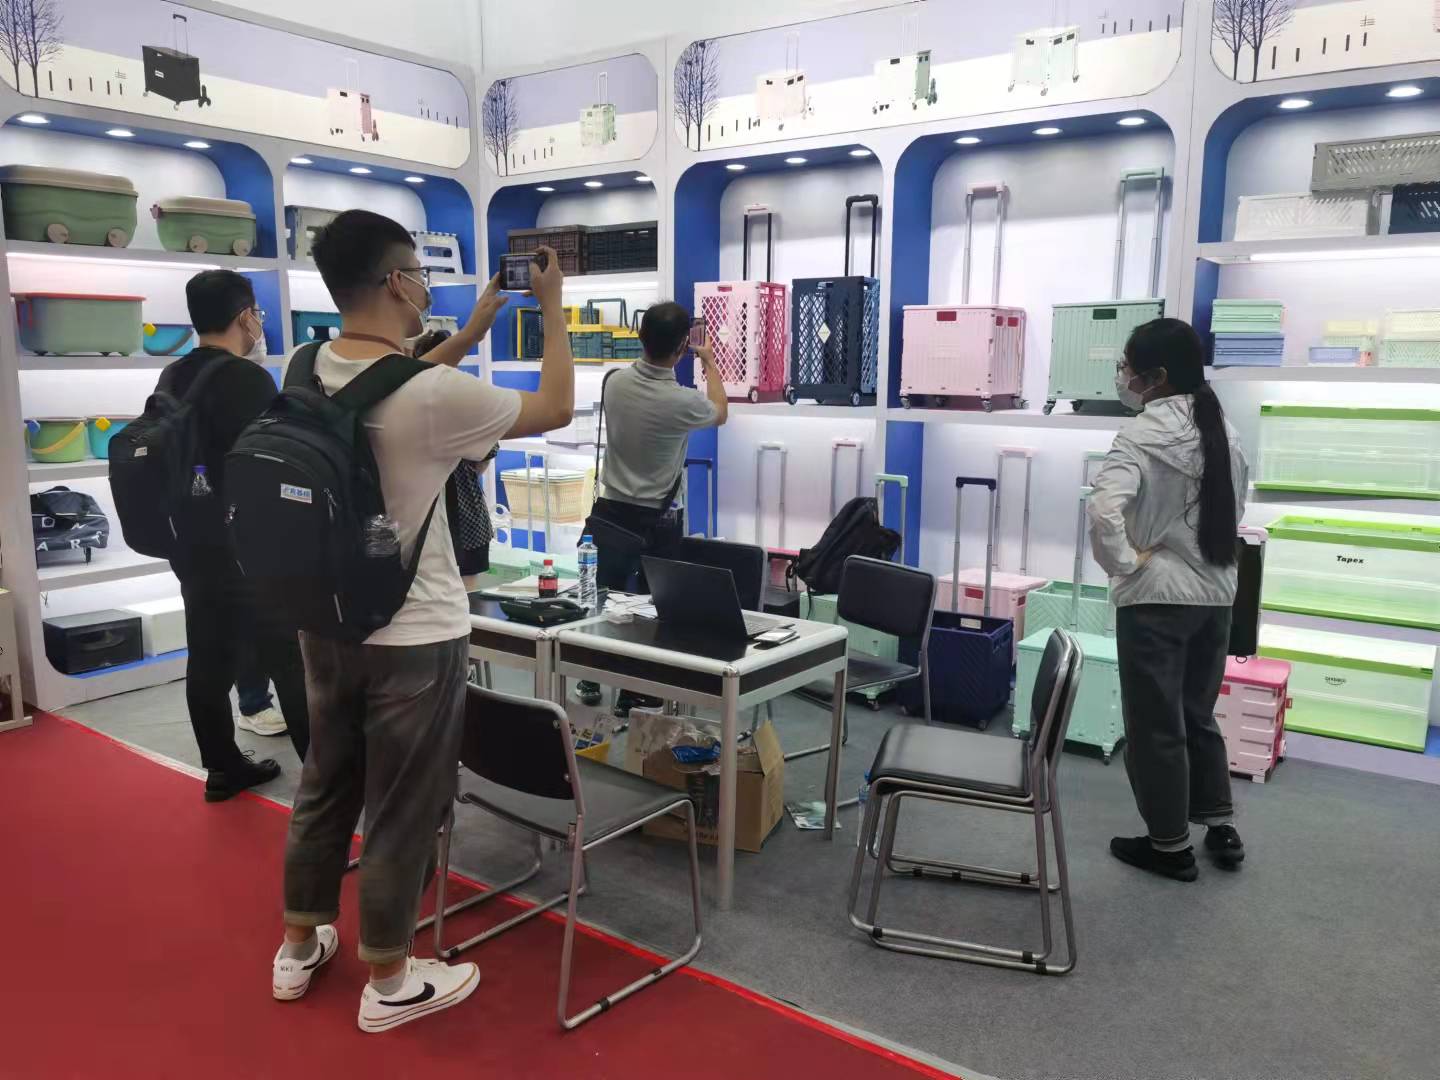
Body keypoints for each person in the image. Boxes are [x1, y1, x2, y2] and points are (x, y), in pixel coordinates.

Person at [271, 210, 574, 1034]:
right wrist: (550, 308)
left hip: (325, 621)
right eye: (419, 270)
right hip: (416, 633)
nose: (425, 284)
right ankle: (391, 979)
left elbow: (387, 386)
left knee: (326, 781)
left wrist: (471, 330)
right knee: (405, 803)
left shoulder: (302, 366)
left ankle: (298, 945)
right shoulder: (433, 396)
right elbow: (555, 406)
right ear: (399, 281)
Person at [1086, 317, 1250, 883]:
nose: (1122, 376)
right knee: (1197, 714)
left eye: (1127, 367)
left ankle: (1169, 846)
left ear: (1155, 377)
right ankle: (1219, 824)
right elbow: (1235, 509)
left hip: (1157, 601)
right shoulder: (1223, 428)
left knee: (1156, 724)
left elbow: (1103, 512)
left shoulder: (1141, 435)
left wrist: (1127, 564)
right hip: (1216, 595)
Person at [170, 270, 310, 800]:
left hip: (190, 541)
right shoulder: (247, 379)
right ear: (245, 316)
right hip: (248, 545)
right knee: (289, 660)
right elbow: (272, 462)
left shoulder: (173, 374)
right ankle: (325, 781)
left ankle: (223, 768)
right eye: (258, 314)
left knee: (207, 657)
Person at [574, 302, 727, 714]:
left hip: (610, 512)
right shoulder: (683, 402)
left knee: (603, 599)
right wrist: (709, 360)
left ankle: (590, 674)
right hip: (658, 520)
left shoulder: (613, 383)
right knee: (653, 609)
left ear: (640, 337)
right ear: (681, 347)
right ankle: (636, 691)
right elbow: (720, 411)